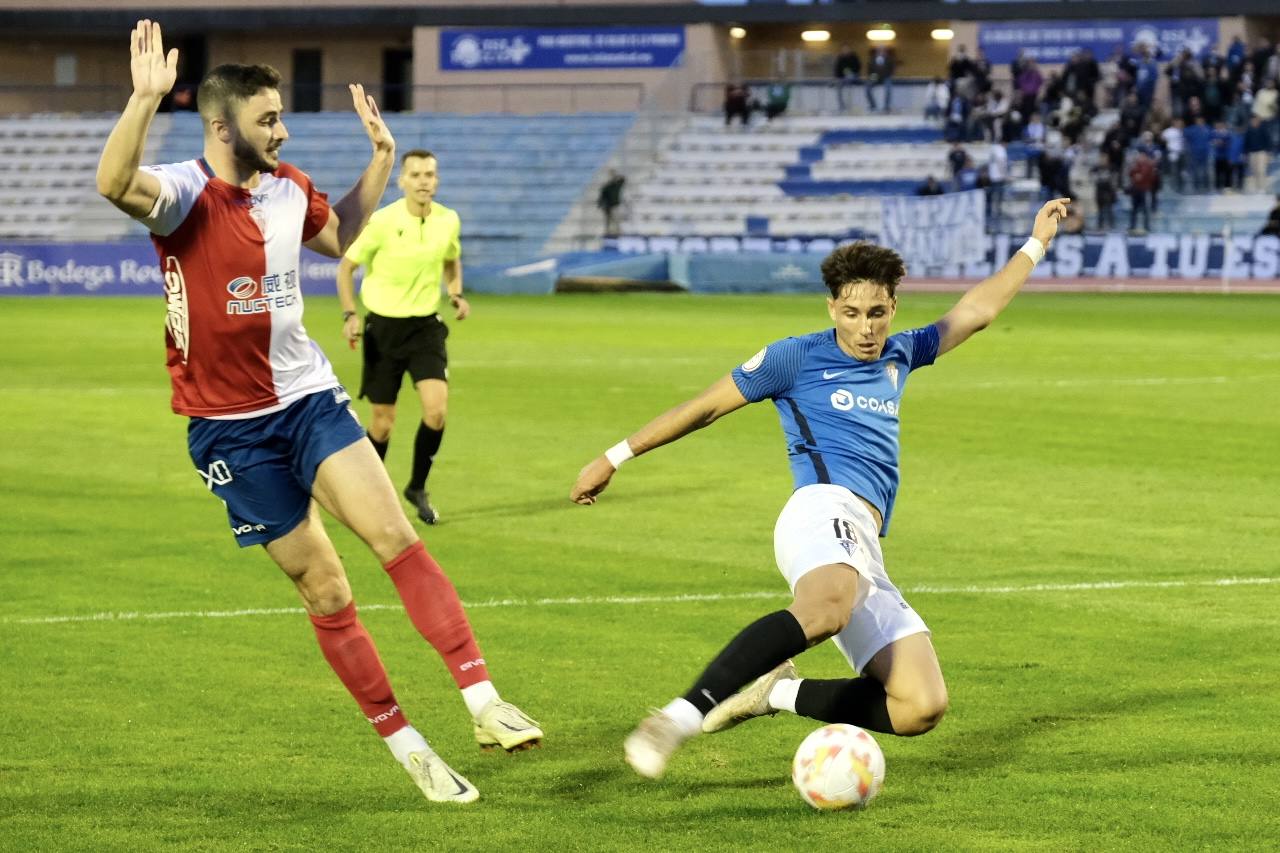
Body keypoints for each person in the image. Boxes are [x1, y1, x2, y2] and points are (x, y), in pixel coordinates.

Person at [95, 20, 540, 806]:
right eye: (268, 119)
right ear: (223, 125)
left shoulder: (288, 186)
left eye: (282, 116)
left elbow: (340, 239)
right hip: (229, 428)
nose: (283, 129)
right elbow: (112, 183)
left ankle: (483, 701)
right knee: (327, 588)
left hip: (306, 397)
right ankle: (410, 748)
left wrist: (382, 160)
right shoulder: (183, 194)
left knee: (393, 536)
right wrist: (141, 100)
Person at [571, 199, 1072, 780]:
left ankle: (775, 693)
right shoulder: (794, 357)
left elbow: (978, 310)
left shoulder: (902, 353)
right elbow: (706, 407)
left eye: (878, 313)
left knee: (920, 705)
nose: (866, 328)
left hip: (864, 541)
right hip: (820, 509)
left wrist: (1036, 243)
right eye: (853, 312)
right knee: (827, 607)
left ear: (893, 308)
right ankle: (678, 717)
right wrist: (615, 456)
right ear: (832, 306)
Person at [336, 149, 470, 525]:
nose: (424, 181)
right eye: (416, 175)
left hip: (425, 327)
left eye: (430, 174)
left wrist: (455, 291)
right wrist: (350, 315)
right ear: (403, 181)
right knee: (382, 423)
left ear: (436, 180)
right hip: (384, 329)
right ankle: (367, 495)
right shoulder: (382, 221)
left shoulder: (448, 220)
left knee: (437, 410)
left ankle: (417, 487)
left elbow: (450, 257)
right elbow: (346, 269)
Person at [597, 169, 626, 237]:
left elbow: (623, 179)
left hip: (615, 205)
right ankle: (608, 232)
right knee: (608, 220)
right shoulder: (607, 187)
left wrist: (615, 175)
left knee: (616, 219)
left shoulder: (617, 185)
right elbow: (602, 196)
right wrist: (600, 204)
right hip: (608, 206)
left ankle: (618, 232)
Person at [833, 45, 862, 112]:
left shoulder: (854, 57)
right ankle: (842, 106)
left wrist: (851, 72)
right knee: (838, 86)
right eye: (844, 49)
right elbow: (837, 69)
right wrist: (838, 77)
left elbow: (858, 67)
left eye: (847, 49)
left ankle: (849, 106)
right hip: (842, 78)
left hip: (853, 77)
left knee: (850, 79)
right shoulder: (840, 58)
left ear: (850, 50)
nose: (845, 51)